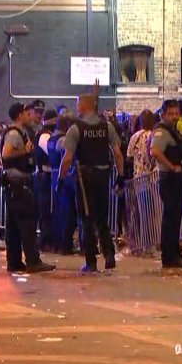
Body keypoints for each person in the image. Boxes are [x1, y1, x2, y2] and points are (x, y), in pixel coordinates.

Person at [58, 94, 125, 273]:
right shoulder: (107, 126)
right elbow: (118, 153)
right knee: (102, 218)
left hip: (84, 177)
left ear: (83, 106)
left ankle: (91, 262)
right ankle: (109, 254)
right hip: (103, 175)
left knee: (86, 219)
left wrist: (61, 179)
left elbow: (67, 158)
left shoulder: (76, 129)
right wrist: (120, 176)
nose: (77, 108)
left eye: (78, 104)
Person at [0, 103, 55, 273]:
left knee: (14, 227)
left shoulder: (18, 132)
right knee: (27, 224)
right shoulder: (14, 134)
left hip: (14, 184)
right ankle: (33, 261)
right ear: (19, 115)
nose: (29, 116)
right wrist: (24, 151)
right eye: (26, 113)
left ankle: (14, 262)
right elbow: (6, 153)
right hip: (18, 184)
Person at [150, 100, 182, 269]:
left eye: (176, 113)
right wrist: (171, 166)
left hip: (176, 179)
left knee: (176, 218)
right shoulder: (161, 131)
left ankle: (175, 254)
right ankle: (169, 257)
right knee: (170, 219)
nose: (175, 117)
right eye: (171, 114)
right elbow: (155, 151)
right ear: (163, 114)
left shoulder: (174, 131)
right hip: (169, 178)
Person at [48, 114, 77, 254]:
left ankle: (58, 243)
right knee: (67, 213)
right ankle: (65, 244)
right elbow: (67, 158)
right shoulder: (63, 140)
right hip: (64, 176)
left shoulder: (51, 139)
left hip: (54, 174)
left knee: (58, 212)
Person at [33, 110, 57, 252]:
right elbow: (51, 152)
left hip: (47, 176)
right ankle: (45, 241)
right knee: (45, 210)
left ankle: (49, 240)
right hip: (44, 177)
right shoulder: (44, 135)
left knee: (48, 210)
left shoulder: (47, 134)